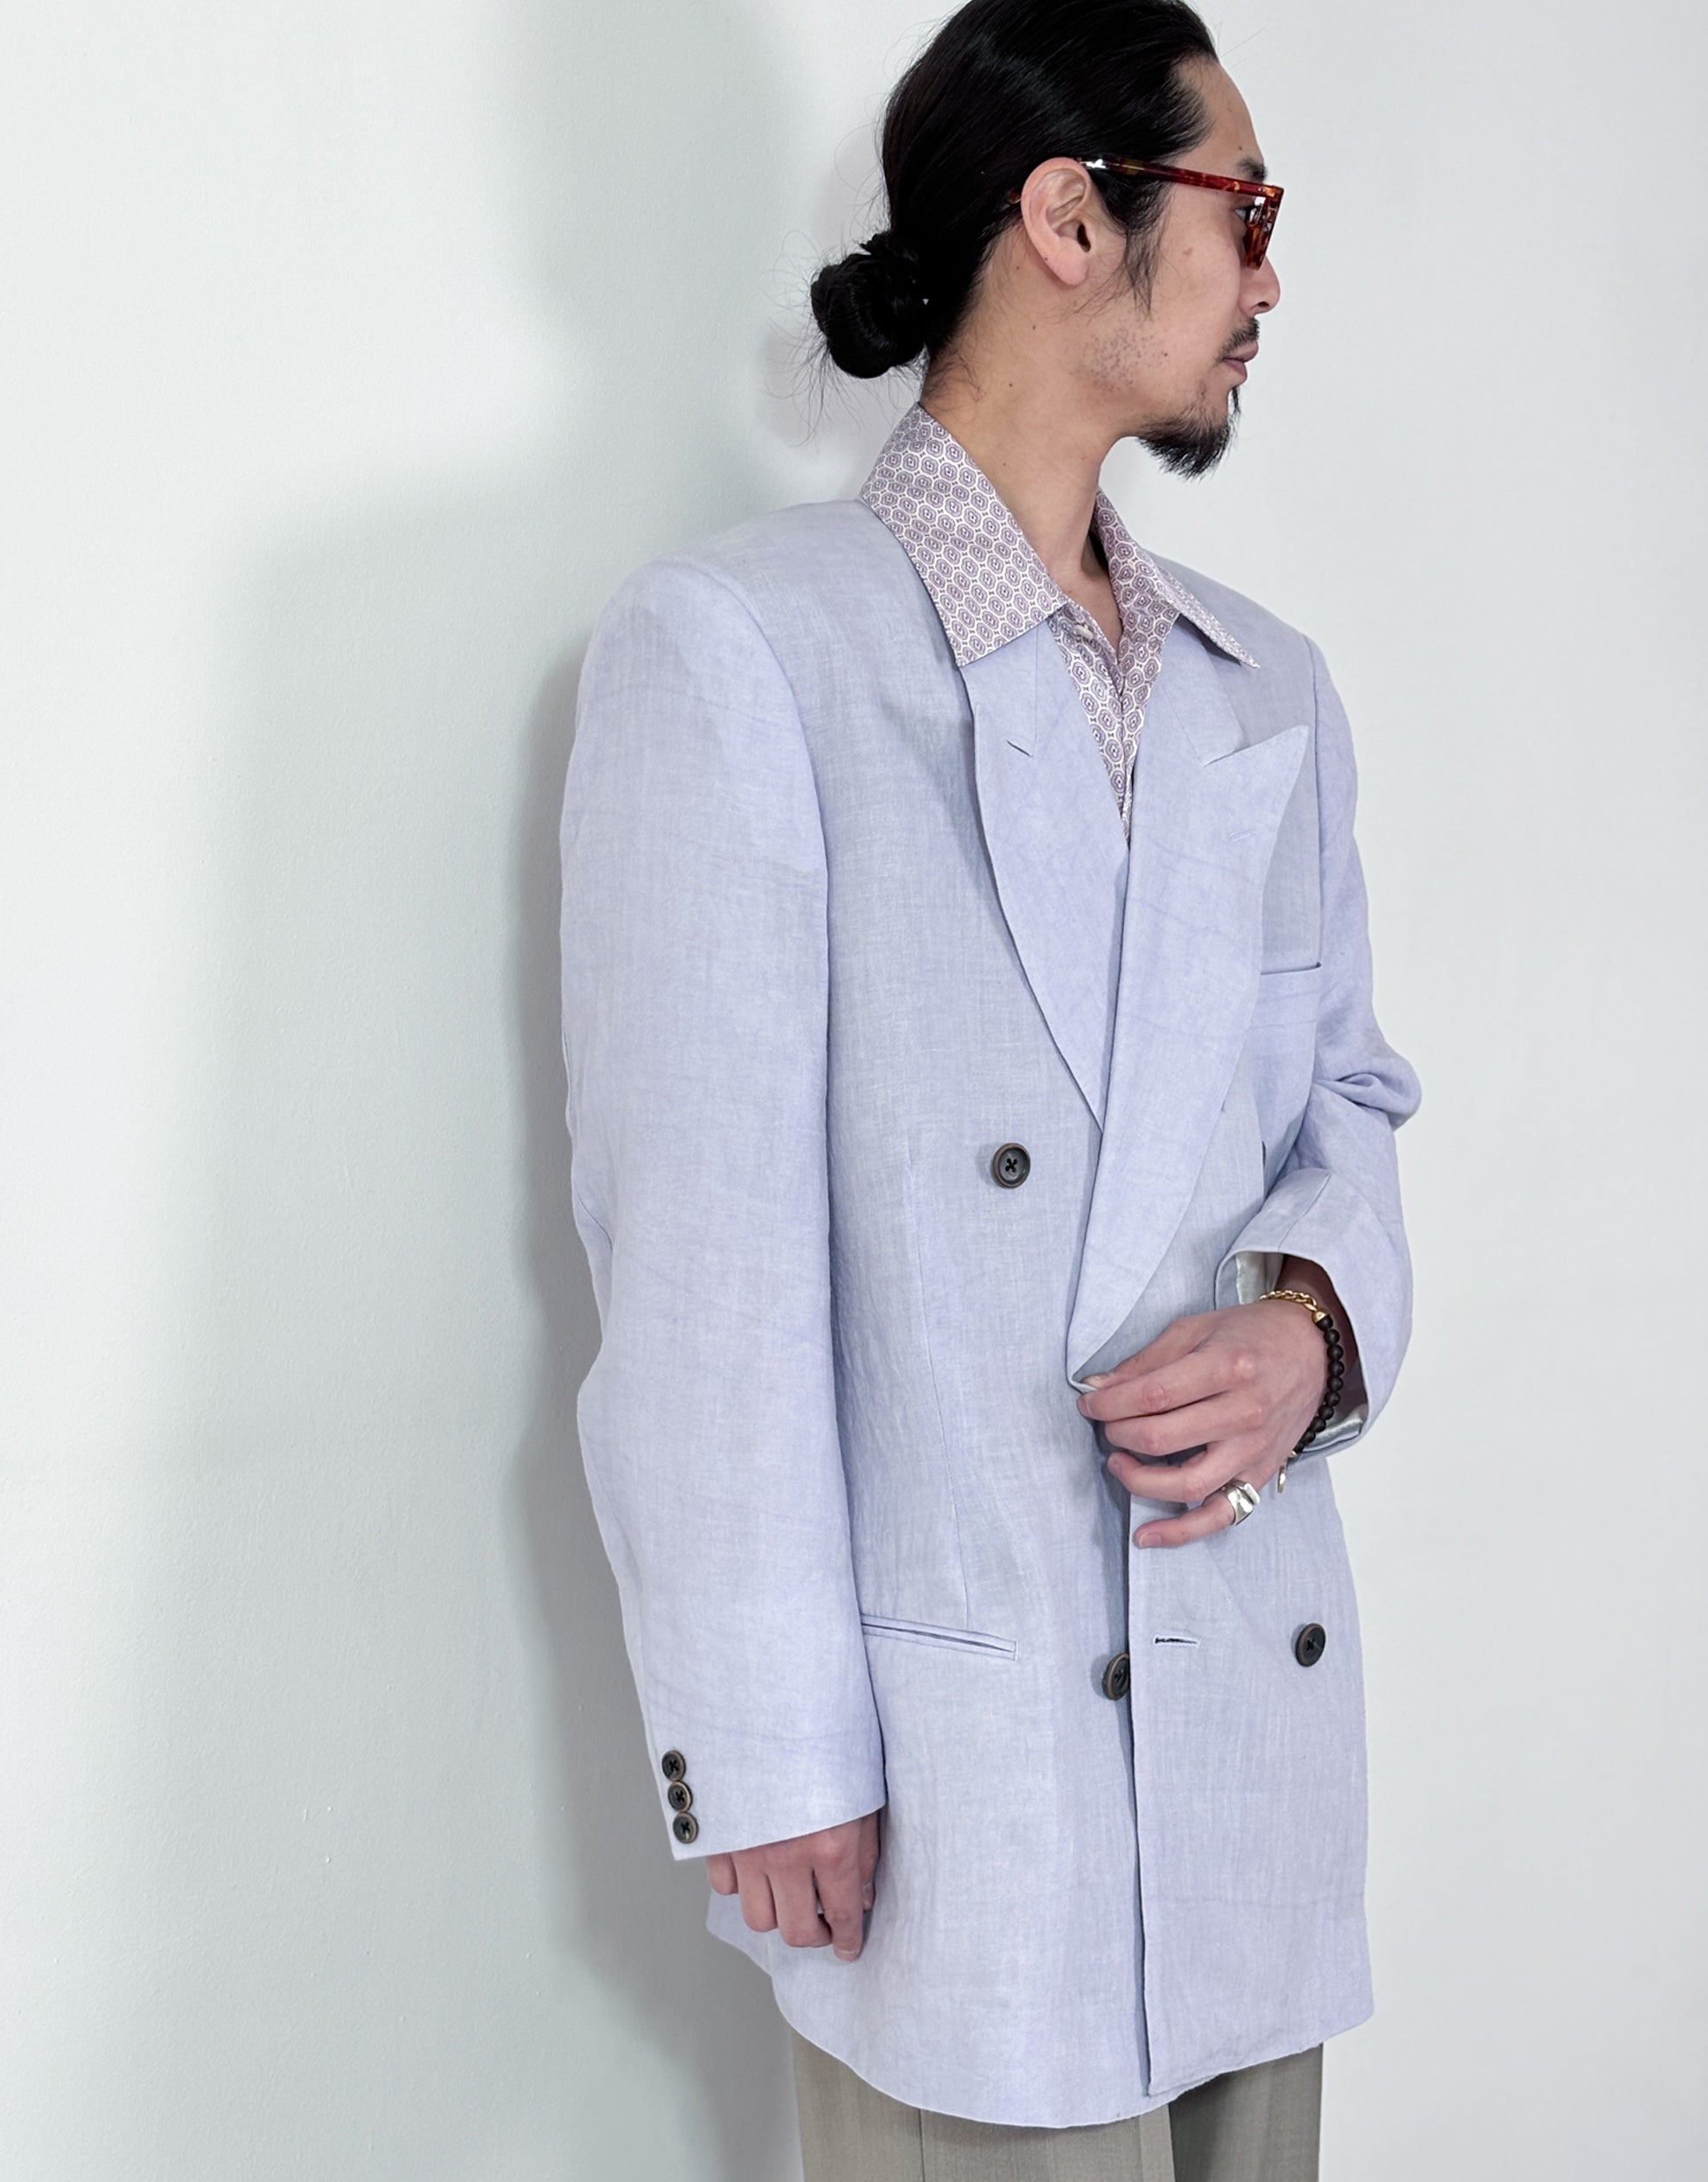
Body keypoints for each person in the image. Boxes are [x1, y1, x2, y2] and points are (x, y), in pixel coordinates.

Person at [558, 1, 1420, 2172]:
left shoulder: (1267, 689)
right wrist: (767, 1745)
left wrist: (1311, 1328)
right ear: (1068, 218)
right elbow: (699, 1254)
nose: (1270, 275)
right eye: (1243, 208)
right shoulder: (744, 653)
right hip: (962, 1761)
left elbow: (1347, 1100)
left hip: (1246, 1704)